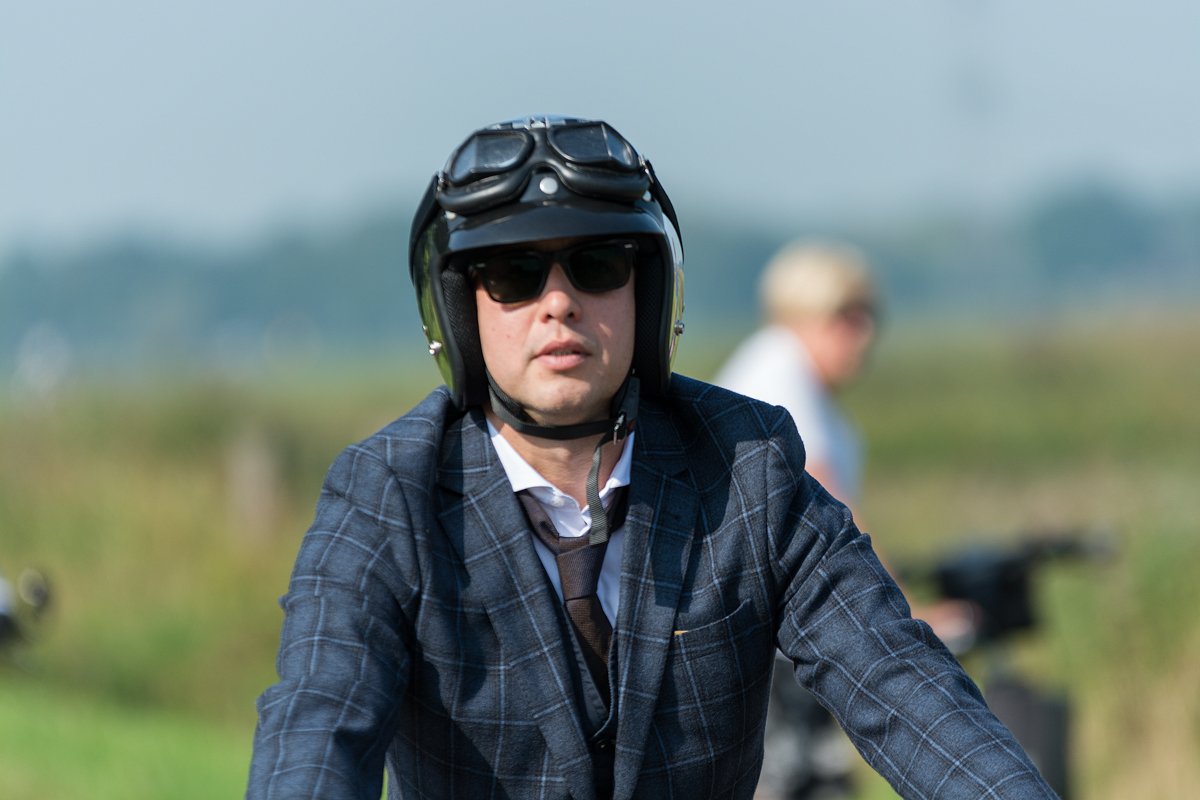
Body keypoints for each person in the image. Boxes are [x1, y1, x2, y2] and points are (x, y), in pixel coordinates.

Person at [247, 115, 1055, 800]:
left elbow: (901, 686)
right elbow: (319, 719)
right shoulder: (386, 494)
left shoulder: (749, 468)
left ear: (648, 294)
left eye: (597, 266)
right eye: (514, 275)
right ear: (460, 312)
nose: (558, 302)